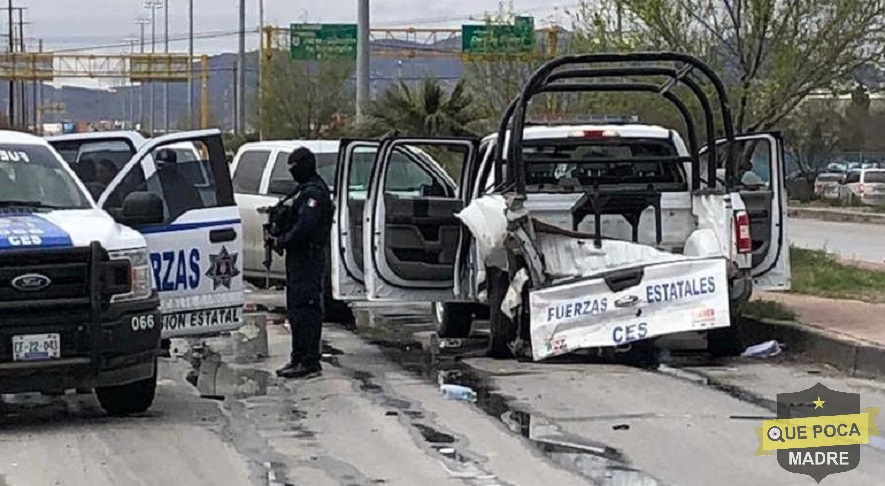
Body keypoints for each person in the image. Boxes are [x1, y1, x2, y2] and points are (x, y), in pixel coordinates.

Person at [274, 147, 333, 379]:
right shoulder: (303, 191)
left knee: (307, 309)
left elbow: (305, 227)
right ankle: (298, 357)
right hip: (299, 258)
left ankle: (309, 360)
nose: (292, 173)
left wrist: (284, 239)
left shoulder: (313, 194)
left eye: (295, 168)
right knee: (296, 309)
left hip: (308, 257)